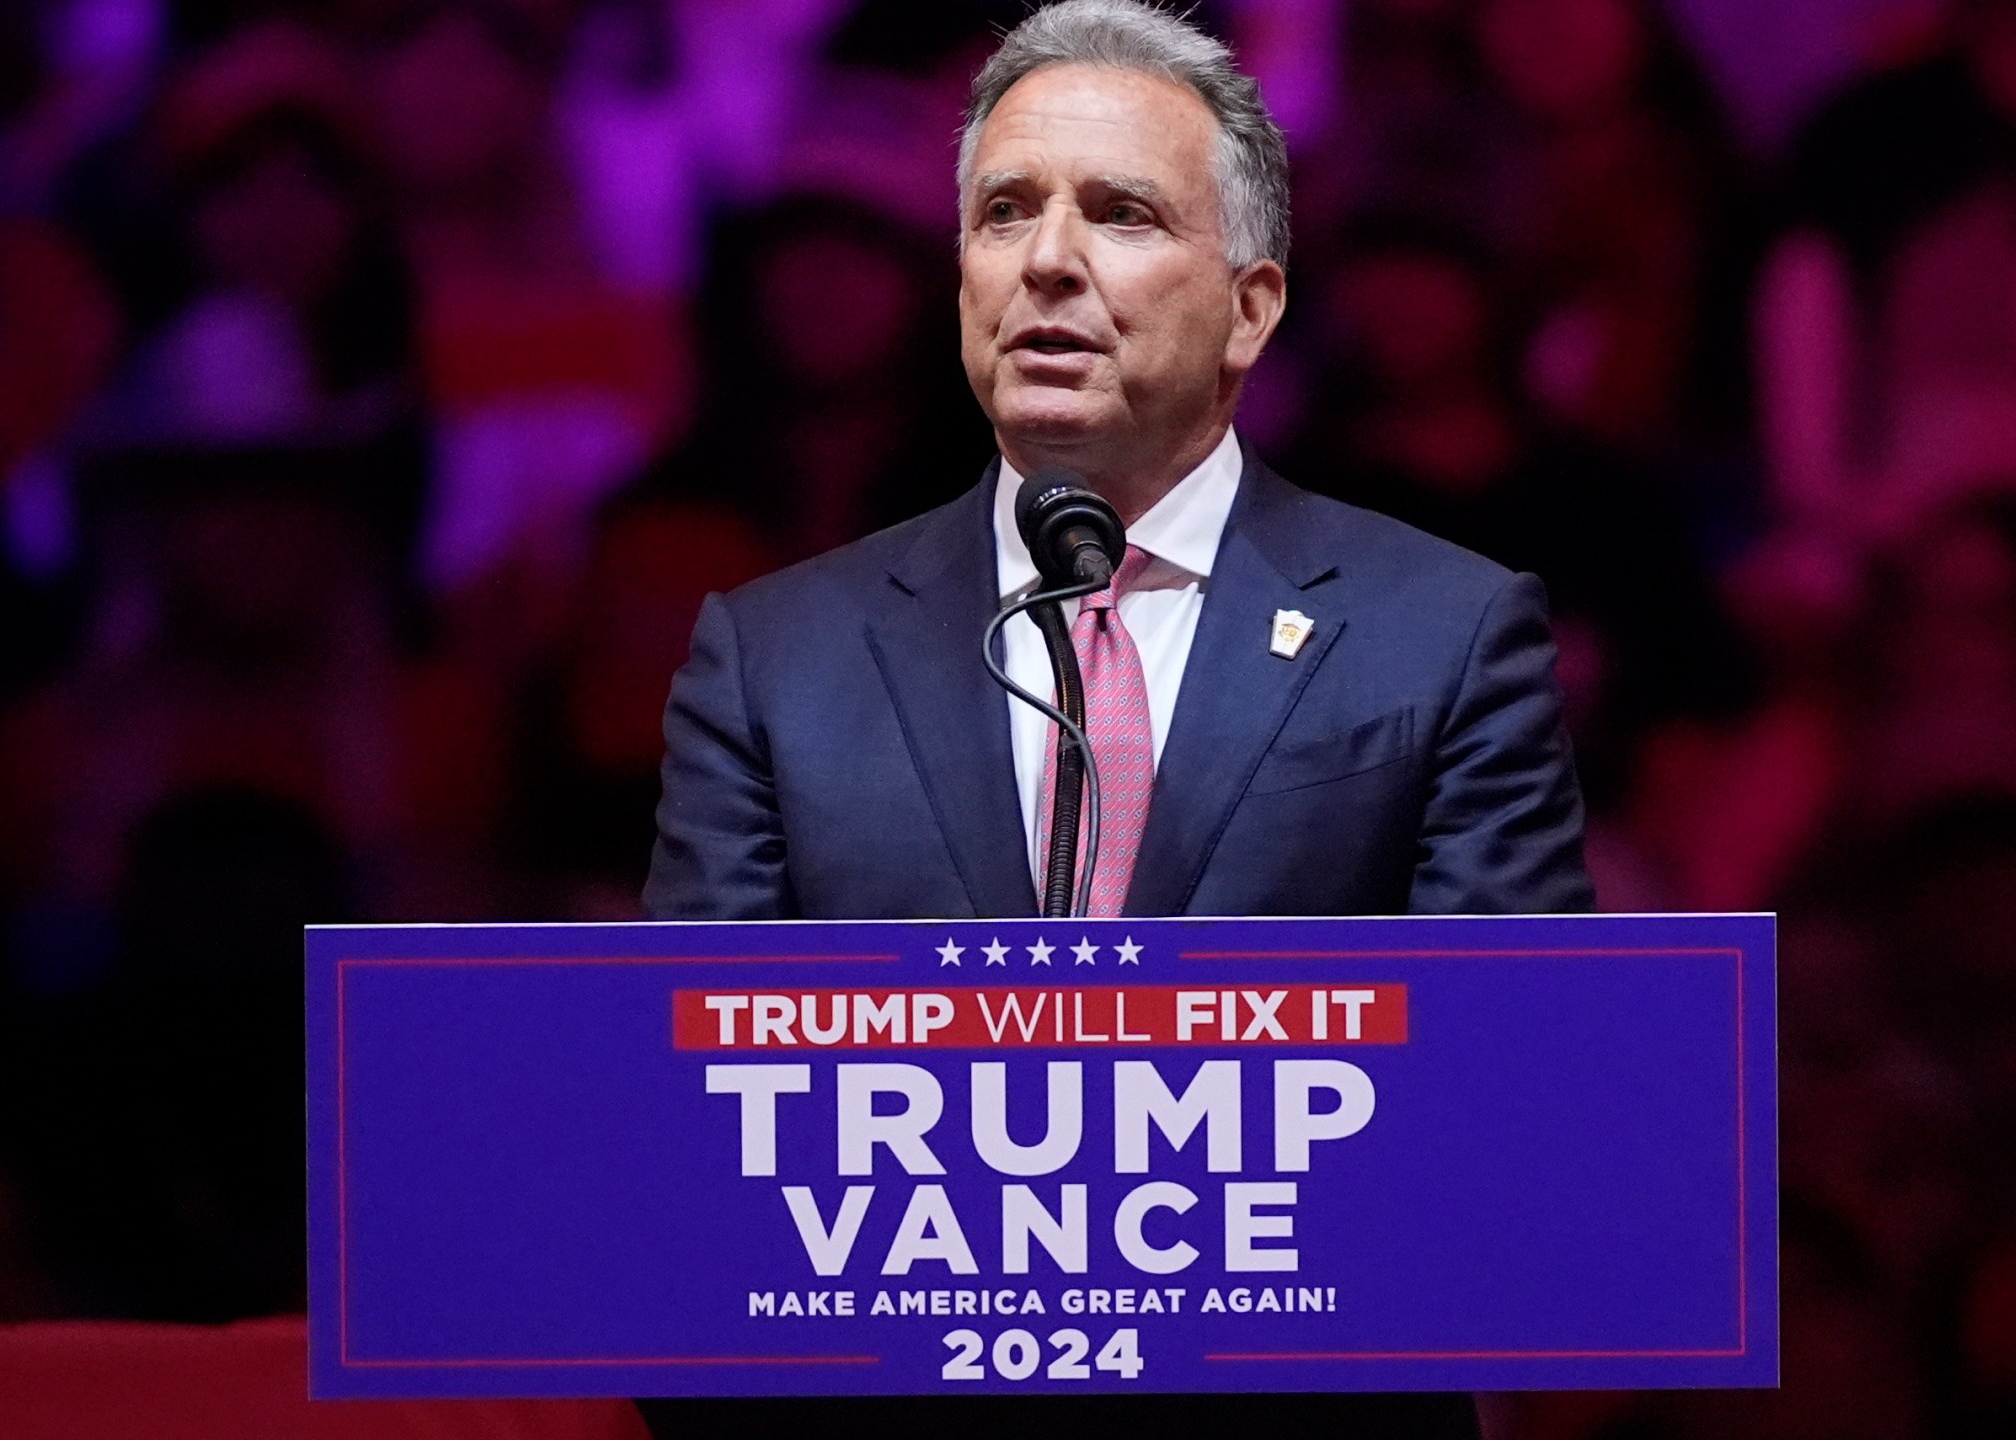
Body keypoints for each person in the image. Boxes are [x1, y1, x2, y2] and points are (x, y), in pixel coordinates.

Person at [641, 2, 1592, 1435]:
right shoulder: (774, 657)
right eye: (1005, 211)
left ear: (1253, 305)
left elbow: (1516, 1107)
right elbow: (697, 1139)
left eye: (1122, 212)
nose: (1049, 262)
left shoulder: (1442, 633)